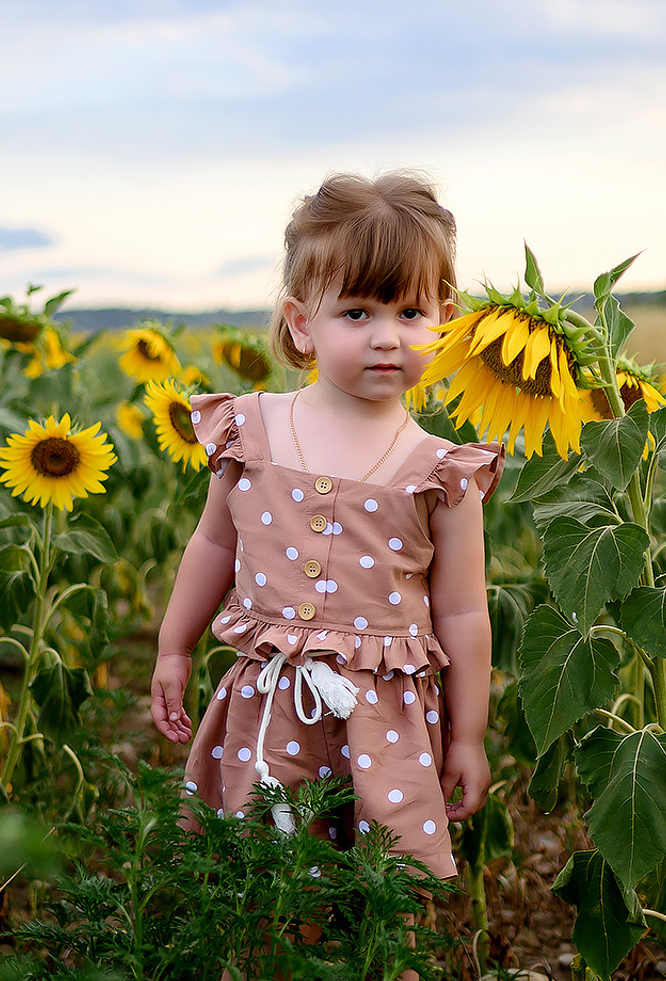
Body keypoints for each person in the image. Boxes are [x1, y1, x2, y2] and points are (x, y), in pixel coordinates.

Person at [150, 170, 503, 890]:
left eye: (411, 312)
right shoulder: (250, 430)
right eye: (357, 313)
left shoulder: (442, 471)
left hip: (386, 723)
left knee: (372, 892)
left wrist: (467, 736)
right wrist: (172, 646)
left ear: (447, 317)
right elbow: (215, 543)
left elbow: (464, 609)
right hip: (269, 705)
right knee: (264, 881)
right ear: (301, 322)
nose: (386, 338)